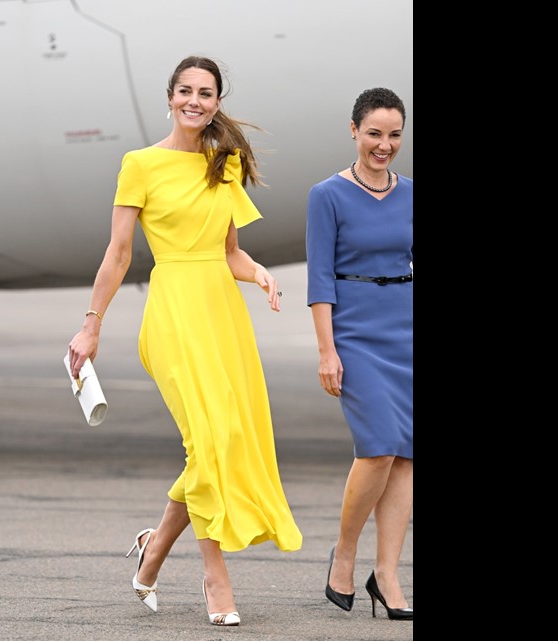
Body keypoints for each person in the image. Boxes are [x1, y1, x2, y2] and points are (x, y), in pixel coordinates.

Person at [67, 55, 303, 627]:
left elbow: (230, 253)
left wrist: (261, 273)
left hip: (222, 314)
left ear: (217, 102)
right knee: (210, 441)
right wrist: (91, 320)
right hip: (171, 314)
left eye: (207, 93)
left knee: (217, 442)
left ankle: (152, 553)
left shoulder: (225, 165)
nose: (196, 100)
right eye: (186, 91)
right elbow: (119, 253)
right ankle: (214, 579)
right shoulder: (140, 164)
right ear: (170, 97)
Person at [305, 87, 413, 620]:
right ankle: (344, 553)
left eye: (394, 135)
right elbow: (320, 279)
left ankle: (388, 574)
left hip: (406, 329)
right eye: (375, 133)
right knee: (378, 448)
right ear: (354, 131)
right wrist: (328, 351)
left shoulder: (412, 193)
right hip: (354, 330)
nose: (384, 144)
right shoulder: (326, 195)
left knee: (406, 456)